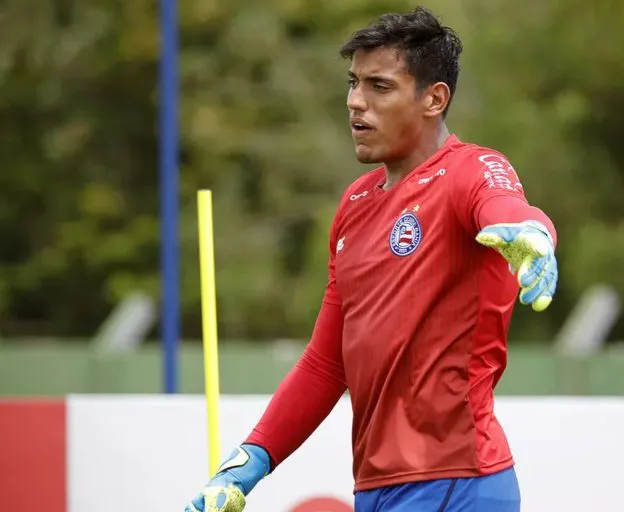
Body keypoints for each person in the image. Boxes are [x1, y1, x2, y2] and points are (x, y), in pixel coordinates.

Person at [186, 6, 558, 512]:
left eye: (379, 87)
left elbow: (507, 209)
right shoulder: (354, 207)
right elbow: (325, 363)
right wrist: (250, 460)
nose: (355, 102)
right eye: (353, 83)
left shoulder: (472, 169)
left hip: (459, 481)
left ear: (434, 99)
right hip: (377, 489)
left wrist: (531, 235)